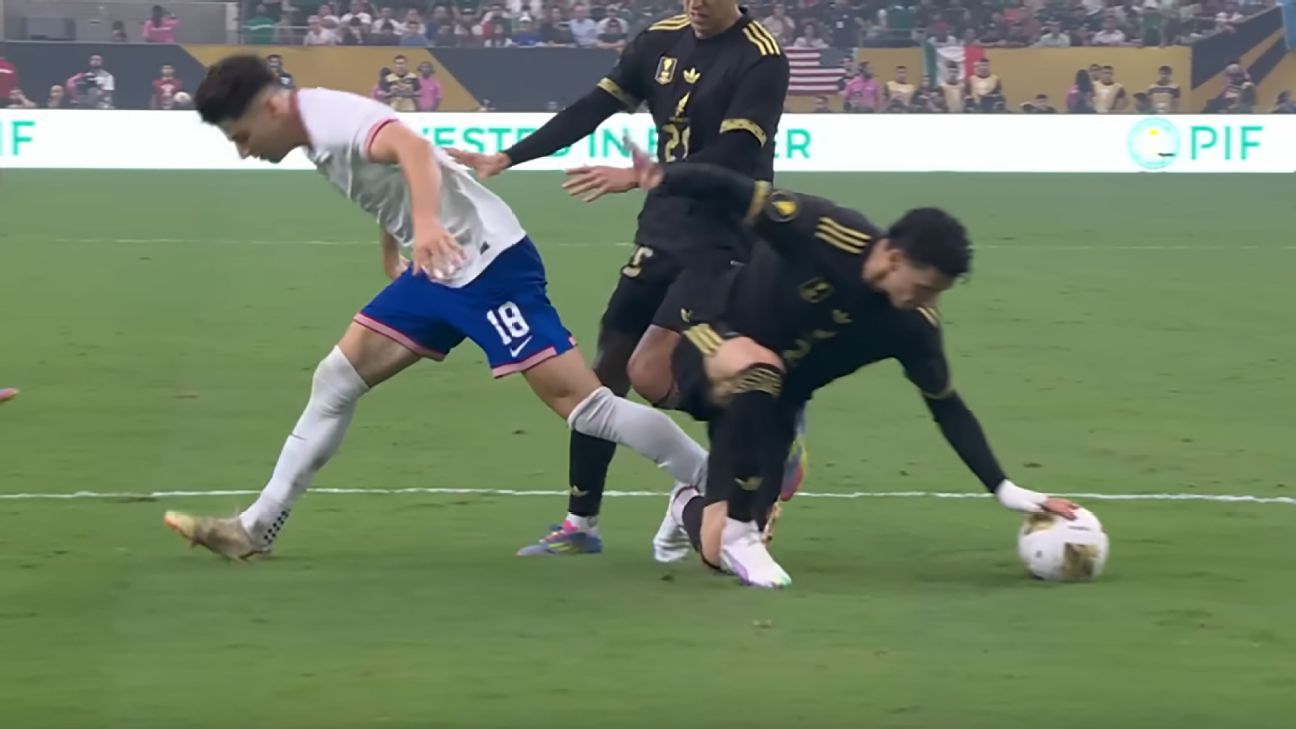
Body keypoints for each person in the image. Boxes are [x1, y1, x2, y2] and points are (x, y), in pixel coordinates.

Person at [162, 55, 709, 560]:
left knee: (586, 407)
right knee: (336, 379)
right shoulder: (311, 124)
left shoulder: (329, 120)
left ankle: (716, 479)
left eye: (242, 136)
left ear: (270, 108)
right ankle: (255, 528)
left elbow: (413, 150)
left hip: (489, 267)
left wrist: (424, 225)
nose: (244, 150)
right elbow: (392, 173)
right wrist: (394, 242)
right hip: (438, 269)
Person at [624, 149, 1082, 587]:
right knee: (762, 369)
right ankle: (742, 532)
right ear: (895, 259)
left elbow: (947, 407)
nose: (929, 300)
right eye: (925, 287)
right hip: (714, 338)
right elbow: (735, 190)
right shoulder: (826, 231)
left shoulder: (914, 327)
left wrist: (1003, 487)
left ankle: (690, 504)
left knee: (714, 551)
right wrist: (663, 176)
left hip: (775, 406)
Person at [449, 0, 794, 556]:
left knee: (649, 370)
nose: (695, 5)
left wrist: (641, 175)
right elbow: (593, 107)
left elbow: (734, 155)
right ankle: (581, 524)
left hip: (725, 234)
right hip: (662, 228)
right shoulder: (660, 39)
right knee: (604, 373)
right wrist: (508, 157)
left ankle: (762, 435)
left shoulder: (761, 57)